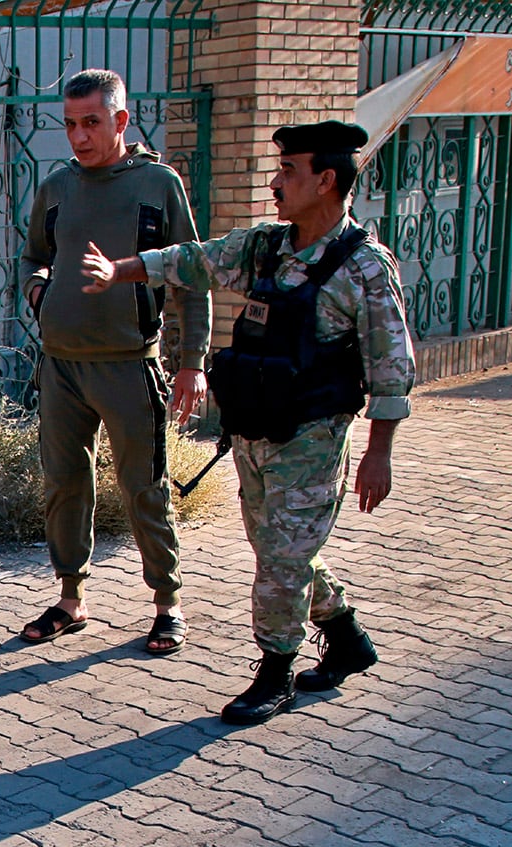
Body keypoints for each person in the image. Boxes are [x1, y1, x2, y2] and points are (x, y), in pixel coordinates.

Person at [79, 119, 415, 724]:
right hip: (255, 431)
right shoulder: (265, 246)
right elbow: (192, 261)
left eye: (289, 170)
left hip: (312, 435)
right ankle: (344, 636)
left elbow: (392, 367)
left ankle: (275, 672)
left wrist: (378, 452)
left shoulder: (362, 267)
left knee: (282, 558)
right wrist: (120, 271)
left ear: (327, 179)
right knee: (280, 549)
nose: (276, 182)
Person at [18, 69, 210, 656]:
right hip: (61, 367)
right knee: (64, 484)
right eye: (71, 124)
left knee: (142, 487)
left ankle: (166, 604)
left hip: (129, 364)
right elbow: (33, 257)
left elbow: (192, 274)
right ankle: (71, 599)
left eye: (92, 123)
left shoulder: (157, 184)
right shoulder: (56, 187)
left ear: (121, 120)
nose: (79, 137)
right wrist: (40, 292)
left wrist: (192, 362)